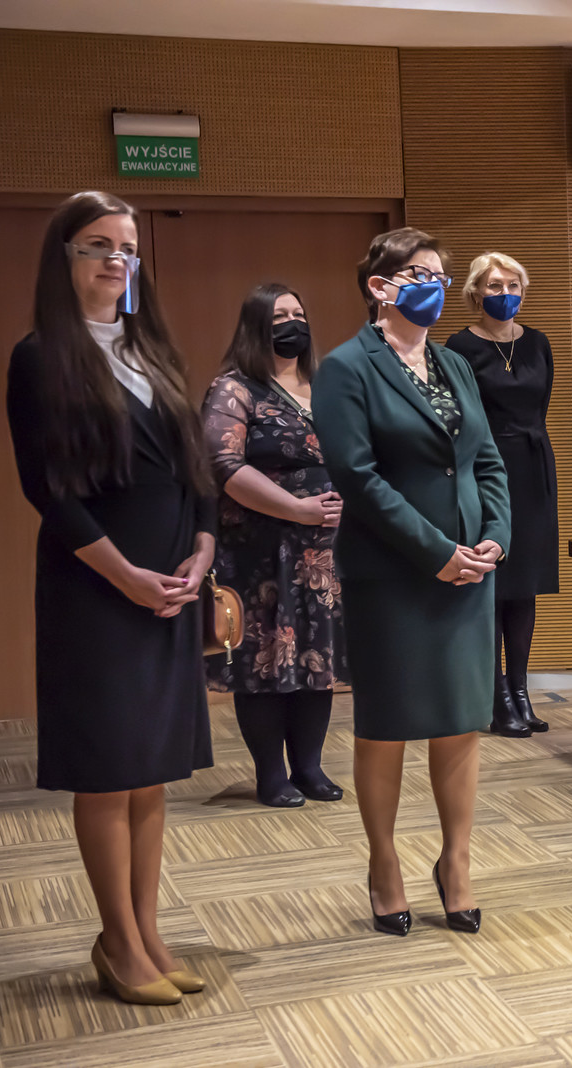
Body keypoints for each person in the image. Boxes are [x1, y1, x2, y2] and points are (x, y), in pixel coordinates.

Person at [5, 191, 214, 1004]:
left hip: (170, 591)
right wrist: (125, 574)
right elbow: (49, 492)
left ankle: (147, 932)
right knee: (107, 770)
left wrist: (203, 548)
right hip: (95, 590)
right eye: (97, 245)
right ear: (64, 257)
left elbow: (195, 468)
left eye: (126, 247)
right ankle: (118, 943)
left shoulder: (151, 349)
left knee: (150, 772)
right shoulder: (40, 358)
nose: (115, 260)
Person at [311, 228, 510, 937]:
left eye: (438, 277)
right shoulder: (346, 367)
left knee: (460, 721)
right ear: (380, 286)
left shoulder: (454, 363)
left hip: (469, 571)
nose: (433, 287)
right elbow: (358, 478)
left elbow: (486, 460)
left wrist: (495, 536)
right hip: (392, 575)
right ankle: (384, 863)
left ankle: (456, 862)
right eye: (419, 275)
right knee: (388, 724)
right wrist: (436, 552)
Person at [201, 284, 347, 808]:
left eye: (298, 313)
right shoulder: (234, 388)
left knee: (316, 659)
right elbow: (224, 465)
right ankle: (271, 774)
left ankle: (309, 767)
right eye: (279, 315)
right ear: (255, 327)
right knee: (264, 661)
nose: (292, 323)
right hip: (260, 551)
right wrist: (298, 509)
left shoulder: (326, 385)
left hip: (325, 553)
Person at [444, 253, 555, 739]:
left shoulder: (538, 342)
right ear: (475, 292)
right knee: (492, 582)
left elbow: (541, 405)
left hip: (533, 466)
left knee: (525, 584)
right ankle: (494, 698)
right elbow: (459, 415)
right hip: (485, 468)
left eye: (513, 284)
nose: (505, 293)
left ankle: (520, 691)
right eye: (494, 285)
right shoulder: (459, 346)